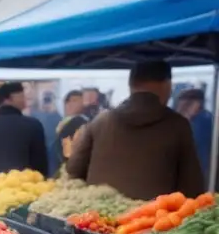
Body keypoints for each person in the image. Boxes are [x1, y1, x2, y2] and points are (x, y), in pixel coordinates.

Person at [67, 61, 204, 200]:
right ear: (167, 85)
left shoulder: (100, 121)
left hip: (96, 218)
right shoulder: (178, 125)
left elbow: (73, 170)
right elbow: (193, 188)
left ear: (131, 85)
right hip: (152, 219)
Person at [177, 87, 214, 185]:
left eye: (186, 105)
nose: (181, 109)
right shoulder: (205, 119)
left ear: (197, 104)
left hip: (202, 173)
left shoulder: (203, 121)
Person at [54, 90, 89, 173]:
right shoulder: (62, 123)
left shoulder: (81, 122)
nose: (69, 104)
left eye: (75, 101)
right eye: (67, 101)